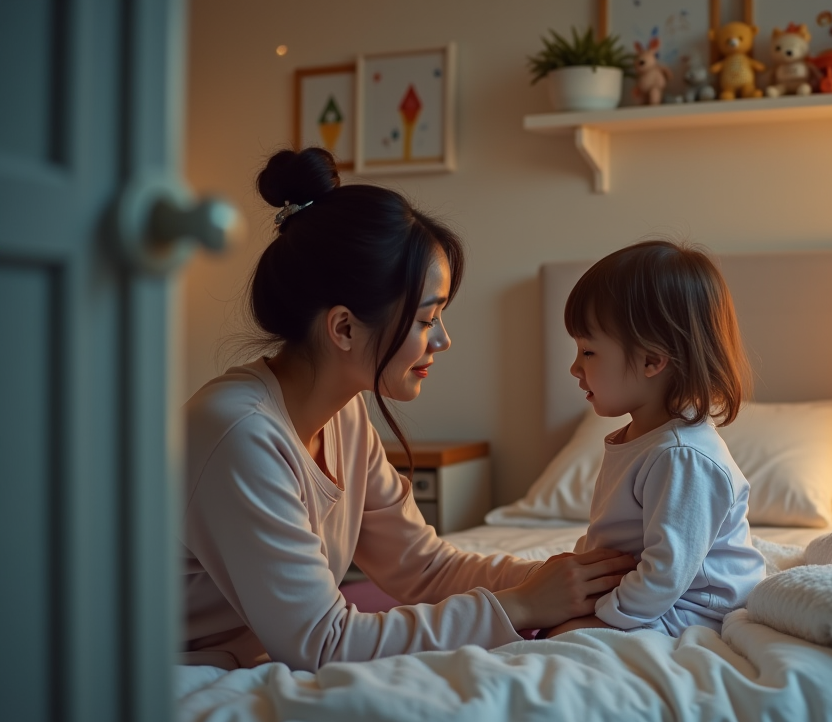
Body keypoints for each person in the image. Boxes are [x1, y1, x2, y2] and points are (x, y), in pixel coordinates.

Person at [181, 148, 634, 671]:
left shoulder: (343, 415)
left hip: (241, 662)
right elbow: (323, 644)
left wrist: (556, 578)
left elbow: (423, 567)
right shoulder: (239, 433)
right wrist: (524, 605)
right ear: (344, 328)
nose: (443, 340)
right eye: (426, 320)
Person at [546, 241, 766, 638]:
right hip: (651, 596)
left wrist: (600, 615)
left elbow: (666, 573)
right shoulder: (643, 438)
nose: (575, 367)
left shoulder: (683, 456)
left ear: (652, 360)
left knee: (559, 637)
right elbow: (619, 536)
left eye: (588, 352)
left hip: (694, 607)